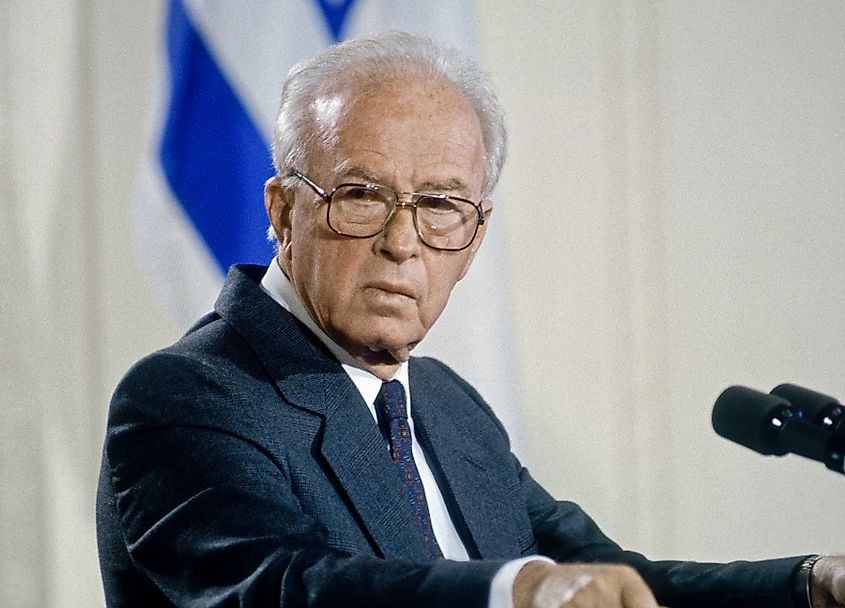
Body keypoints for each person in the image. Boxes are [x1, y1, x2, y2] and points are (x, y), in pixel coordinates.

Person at [96, 31, 845, 608]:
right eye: (360, 195)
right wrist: (515, 593)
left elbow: (610, 584)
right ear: (283, 212)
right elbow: (284, 589)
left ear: (473, 237)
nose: (400, 243)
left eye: (439, 206)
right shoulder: (187, 395)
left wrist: (808, 584)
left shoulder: (447, 406)